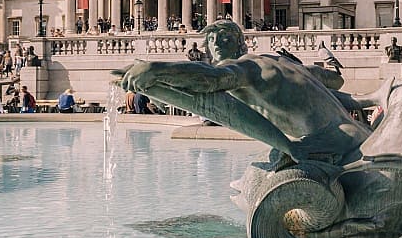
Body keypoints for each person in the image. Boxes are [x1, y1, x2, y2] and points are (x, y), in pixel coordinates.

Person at [118, 20, 372, 163]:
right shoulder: (288, 63)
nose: (216, 44)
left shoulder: (245, 69)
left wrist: (155, 69)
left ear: (240, 43)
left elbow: (209, 80)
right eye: (211, 40)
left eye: (224, 38)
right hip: (362, 138)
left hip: (334, 150)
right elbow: (336, 82)